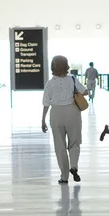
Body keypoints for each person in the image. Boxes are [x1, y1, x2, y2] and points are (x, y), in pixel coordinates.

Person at [41, 55, 89, 184]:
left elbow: (46, 103)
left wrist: (43, 120)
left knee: (59, 146)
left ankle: (64, 176)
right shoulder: (72, 79)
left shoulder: (50, 83)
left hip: (56, 113)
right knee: (74, 142)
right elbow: (85, 92)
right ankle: (74, 166)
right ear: (66, 66)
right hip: (72, 111)